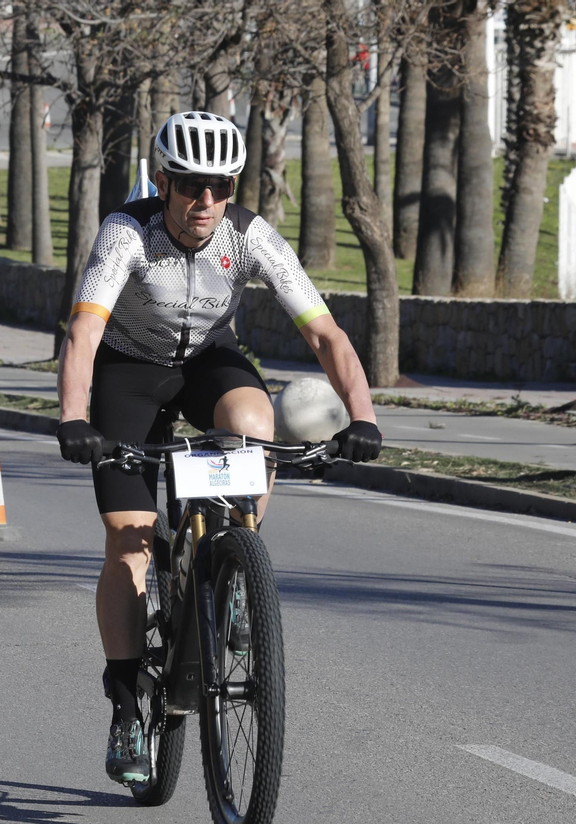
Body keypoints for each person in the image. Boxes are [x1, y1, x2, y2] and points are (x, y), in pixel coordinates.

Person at [54, 111, 383, 785]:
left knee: (252, 417)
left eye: (221, 186)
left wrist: (364, 416)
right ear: (162, 180)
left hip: (207, 361)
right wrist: (72, 416)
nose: (206, 201)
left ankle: (234, 565)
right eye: (191, 185)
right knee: (131, 537)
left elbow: (326, 335)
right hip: (127, 371)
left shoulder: (249, 236)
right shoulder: (127, 234)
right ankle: (125, 703)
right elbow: (84, 335)